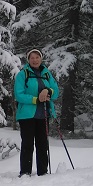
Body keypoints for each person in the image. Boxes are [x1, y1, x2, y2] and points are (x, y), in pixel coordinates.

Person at [14, 49, 60, 177]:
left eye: (37, 57)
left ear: (41, 59)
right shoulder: (23, 74)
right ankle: (25, 172)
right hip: (27, 115)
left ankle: (43, 171)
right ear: (28, 60)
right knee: (28, 144)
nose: (35, 60)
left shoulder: (46, 74)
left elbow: (56, 91)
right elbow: (19, 95)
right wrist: (36, 99)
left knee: (42, 144)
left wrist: (48, 91)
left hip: (43, 114)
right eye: (32, 58)